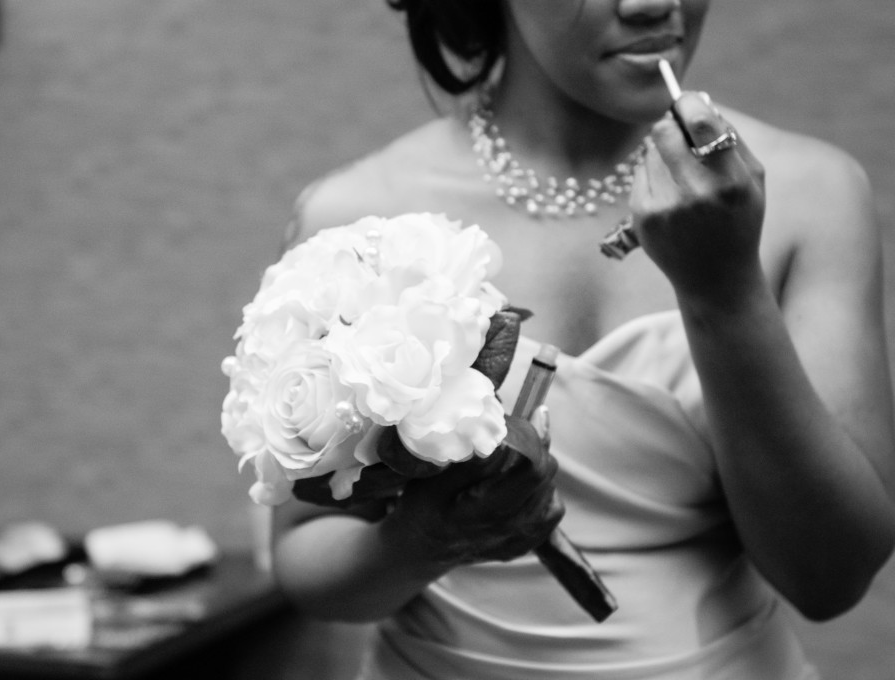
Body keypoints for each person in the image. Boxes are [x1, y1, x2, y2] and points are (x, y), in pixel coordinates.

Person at [270, 1, 895, 678]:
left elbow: (829, 579)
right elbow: (306, 564)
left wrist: (726, 292)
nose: (654, 2)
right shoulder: (358, 222)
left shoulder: (811, 195)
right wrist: (423, 541)